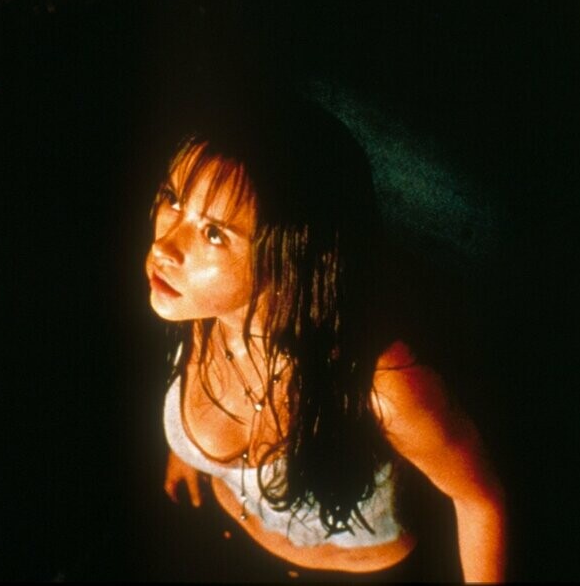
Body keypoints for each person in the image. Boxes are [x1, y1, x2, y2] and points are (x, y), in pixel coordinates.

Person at [142, 85, 506, 581]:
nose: (164, 245)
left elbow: (481, 503)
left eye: (213, 233)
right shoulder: (198, 304)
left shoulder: (385, 385)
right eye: (172, 199)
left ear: (290, 259)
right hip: (226, 534)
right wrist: (188, 453)